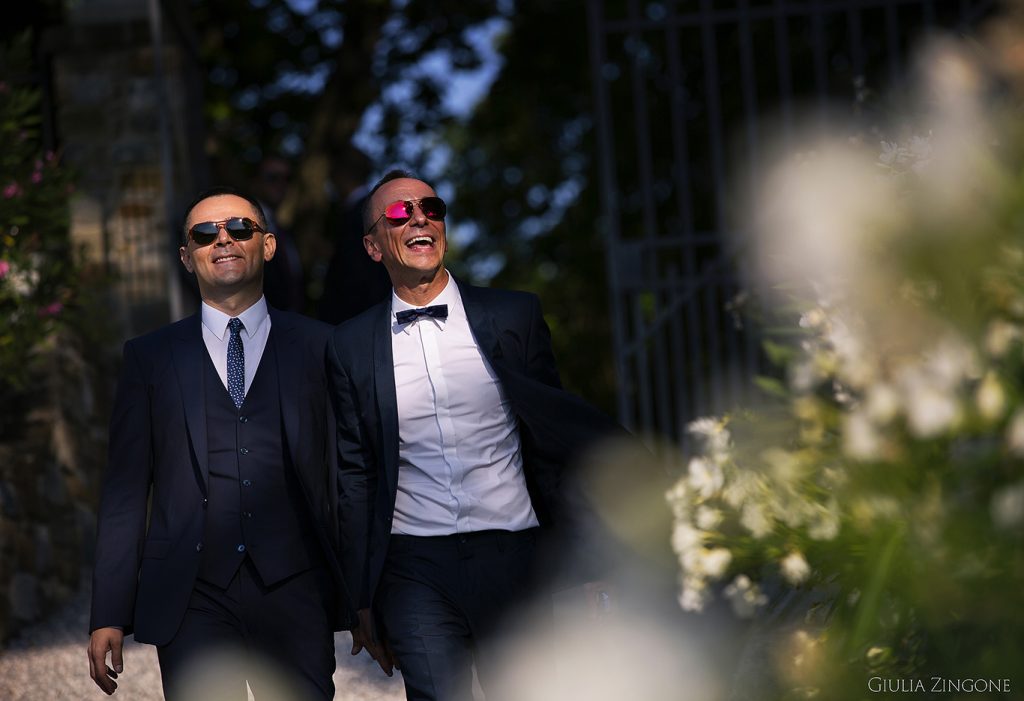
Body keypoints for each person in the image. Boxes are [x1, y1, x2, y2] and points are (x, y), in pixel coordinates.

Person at [326, 170, 621, 701]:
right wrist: (360, 600)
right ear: (373, 246)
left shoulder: (515, 315)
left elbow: (552, 445)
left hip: (515, 555)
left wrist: (587, 558)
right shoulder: (349, 346)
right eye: (400, 213)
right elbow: (356, 475)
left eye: (431, 208)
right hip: (413, 569)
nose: (419, 218)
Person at [87, 187, 352, 700]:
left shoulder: (322, 346)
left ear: (267, 246)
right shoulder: (149, 357)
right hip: (191, 596)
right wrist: (109, 612)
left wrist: (363, 600)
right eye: (205, 233)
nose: (223, 240)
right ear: (187, 257)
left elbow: (347, 475)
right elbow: (125, 491)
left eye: (240, 228)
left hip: (296, 588)